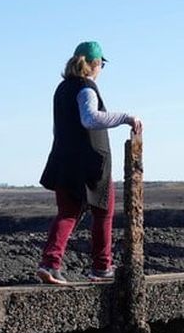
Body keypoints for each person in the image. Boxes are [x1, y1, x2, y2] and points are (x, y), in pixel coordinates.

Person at [36, 40, 142, 284]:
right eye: (102, 64)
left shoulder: (62, 89)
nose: (102, 69)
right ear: (95, 64)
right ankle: (101, 267)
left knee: (67, 213)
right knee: (103, 213)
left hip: (63, 160)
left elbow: (58, 127)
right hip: (91, 165)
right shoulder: (86, 87)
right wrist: (126, 117)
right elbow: (90, 118)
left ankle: (50, 264)